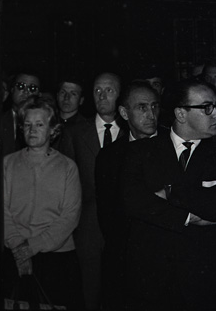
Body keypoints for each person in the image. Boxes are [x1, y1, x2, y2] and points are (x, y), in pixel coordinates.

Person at [123, 78, 216, 311]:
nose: (215, 114)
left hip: (203, 280)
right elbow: (134, 202)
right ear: (181, 114)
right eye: (207, 107)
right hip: (152, 279)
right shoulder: (139, 152)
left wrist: (170, 192)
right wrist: (188, 217)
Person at [3, 96, 84, 310]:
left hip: (55, 258)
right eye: (27, 124)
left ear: (53, 130)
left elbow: (70, 217)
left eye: (39, 125)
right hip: (14, 253)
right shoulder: (8, 164)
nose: (32, 130)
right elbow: (1, 212)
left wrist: (31, 248)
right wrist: (19, 247)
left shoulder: (67, 167)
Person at [59, 71, 126, 311]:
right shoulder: (76, 133)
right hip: (88, 226)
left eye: (109, 90)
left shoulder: (132, 132)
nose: (102, 96)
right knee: (89, 290)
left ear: (120, 95)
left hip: (125, 224)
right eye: (97, 90)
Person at [95, 81, 161, 311]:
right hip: (126, 261)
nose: (151, 114)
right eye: (142, 107)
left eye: (154, 106)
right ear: (124, 113)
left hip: (169, 260)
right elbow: (107, 215)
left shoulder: (174, 146)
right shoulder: (109, 157)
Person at [1, 71, 41, 156]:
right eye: (21, 86)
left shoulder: (45, 124)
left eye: (32, 88)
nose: (26, 92)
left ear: (39, 94)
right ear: (12, 90)